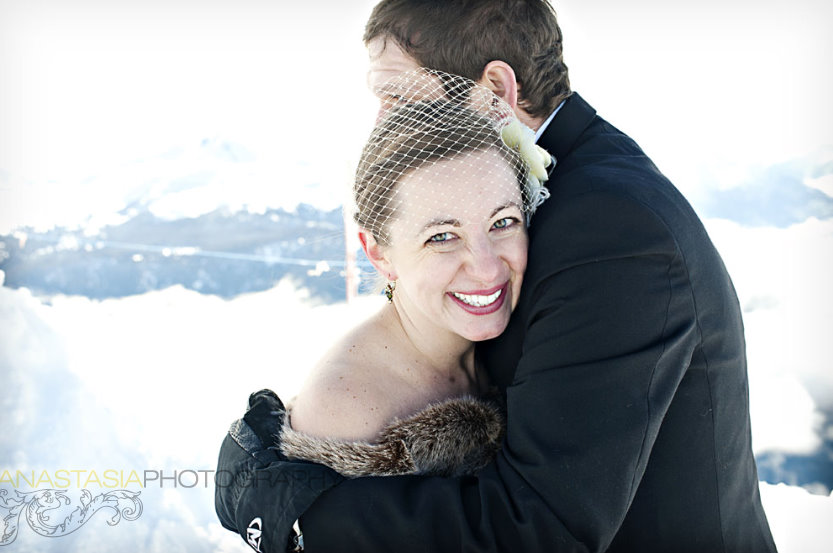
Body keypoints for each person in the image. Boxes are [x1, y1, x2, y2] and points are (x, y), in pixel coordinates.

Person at [216, 1, 778, 552]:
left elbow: (533, 527)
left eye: (396, 96)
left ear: (494, 91)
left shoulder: (608, 229)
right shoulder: (573, 174)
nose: (383, 123)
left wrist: (302, 515)